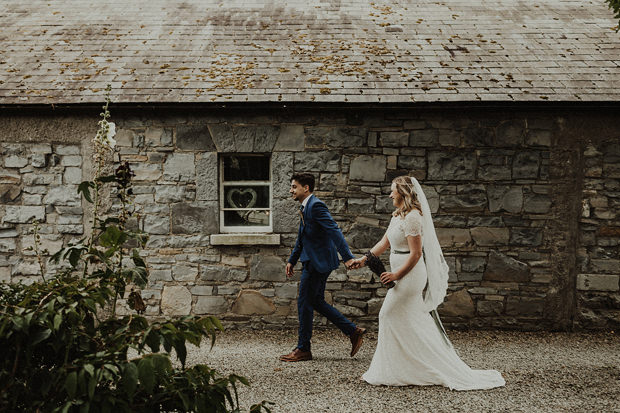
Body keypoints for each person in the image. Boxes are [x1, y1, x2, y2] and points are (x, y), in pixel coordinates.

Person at [349, 176, 505, 390]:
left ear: (403, 192)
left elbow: (415, 254)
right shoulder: (397, 215)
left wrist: (396, 275)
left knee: (386, 314)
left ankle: (391, 369)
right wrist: (363, 260)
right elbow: (383, 243)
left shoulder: (413, 217)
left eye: (393, 190)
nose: (390, 194)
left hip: (410, 275)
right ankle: (410, 366)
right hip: (401, 272)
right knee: (412, 319)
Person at [280, 173, 366, 362]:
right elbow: (302, 236)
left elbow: (334, 230)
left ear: (306, 188)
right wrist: (292, 260)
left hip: (318, 262)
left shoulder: (316, 206)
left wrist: (347, 257)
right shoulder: (305, 207)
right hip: (313, 260)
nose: (291, 190)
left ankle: (303, 349)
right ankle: (353, 331)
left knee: (304, 303)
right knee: (316, 301)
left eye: (294, 187)